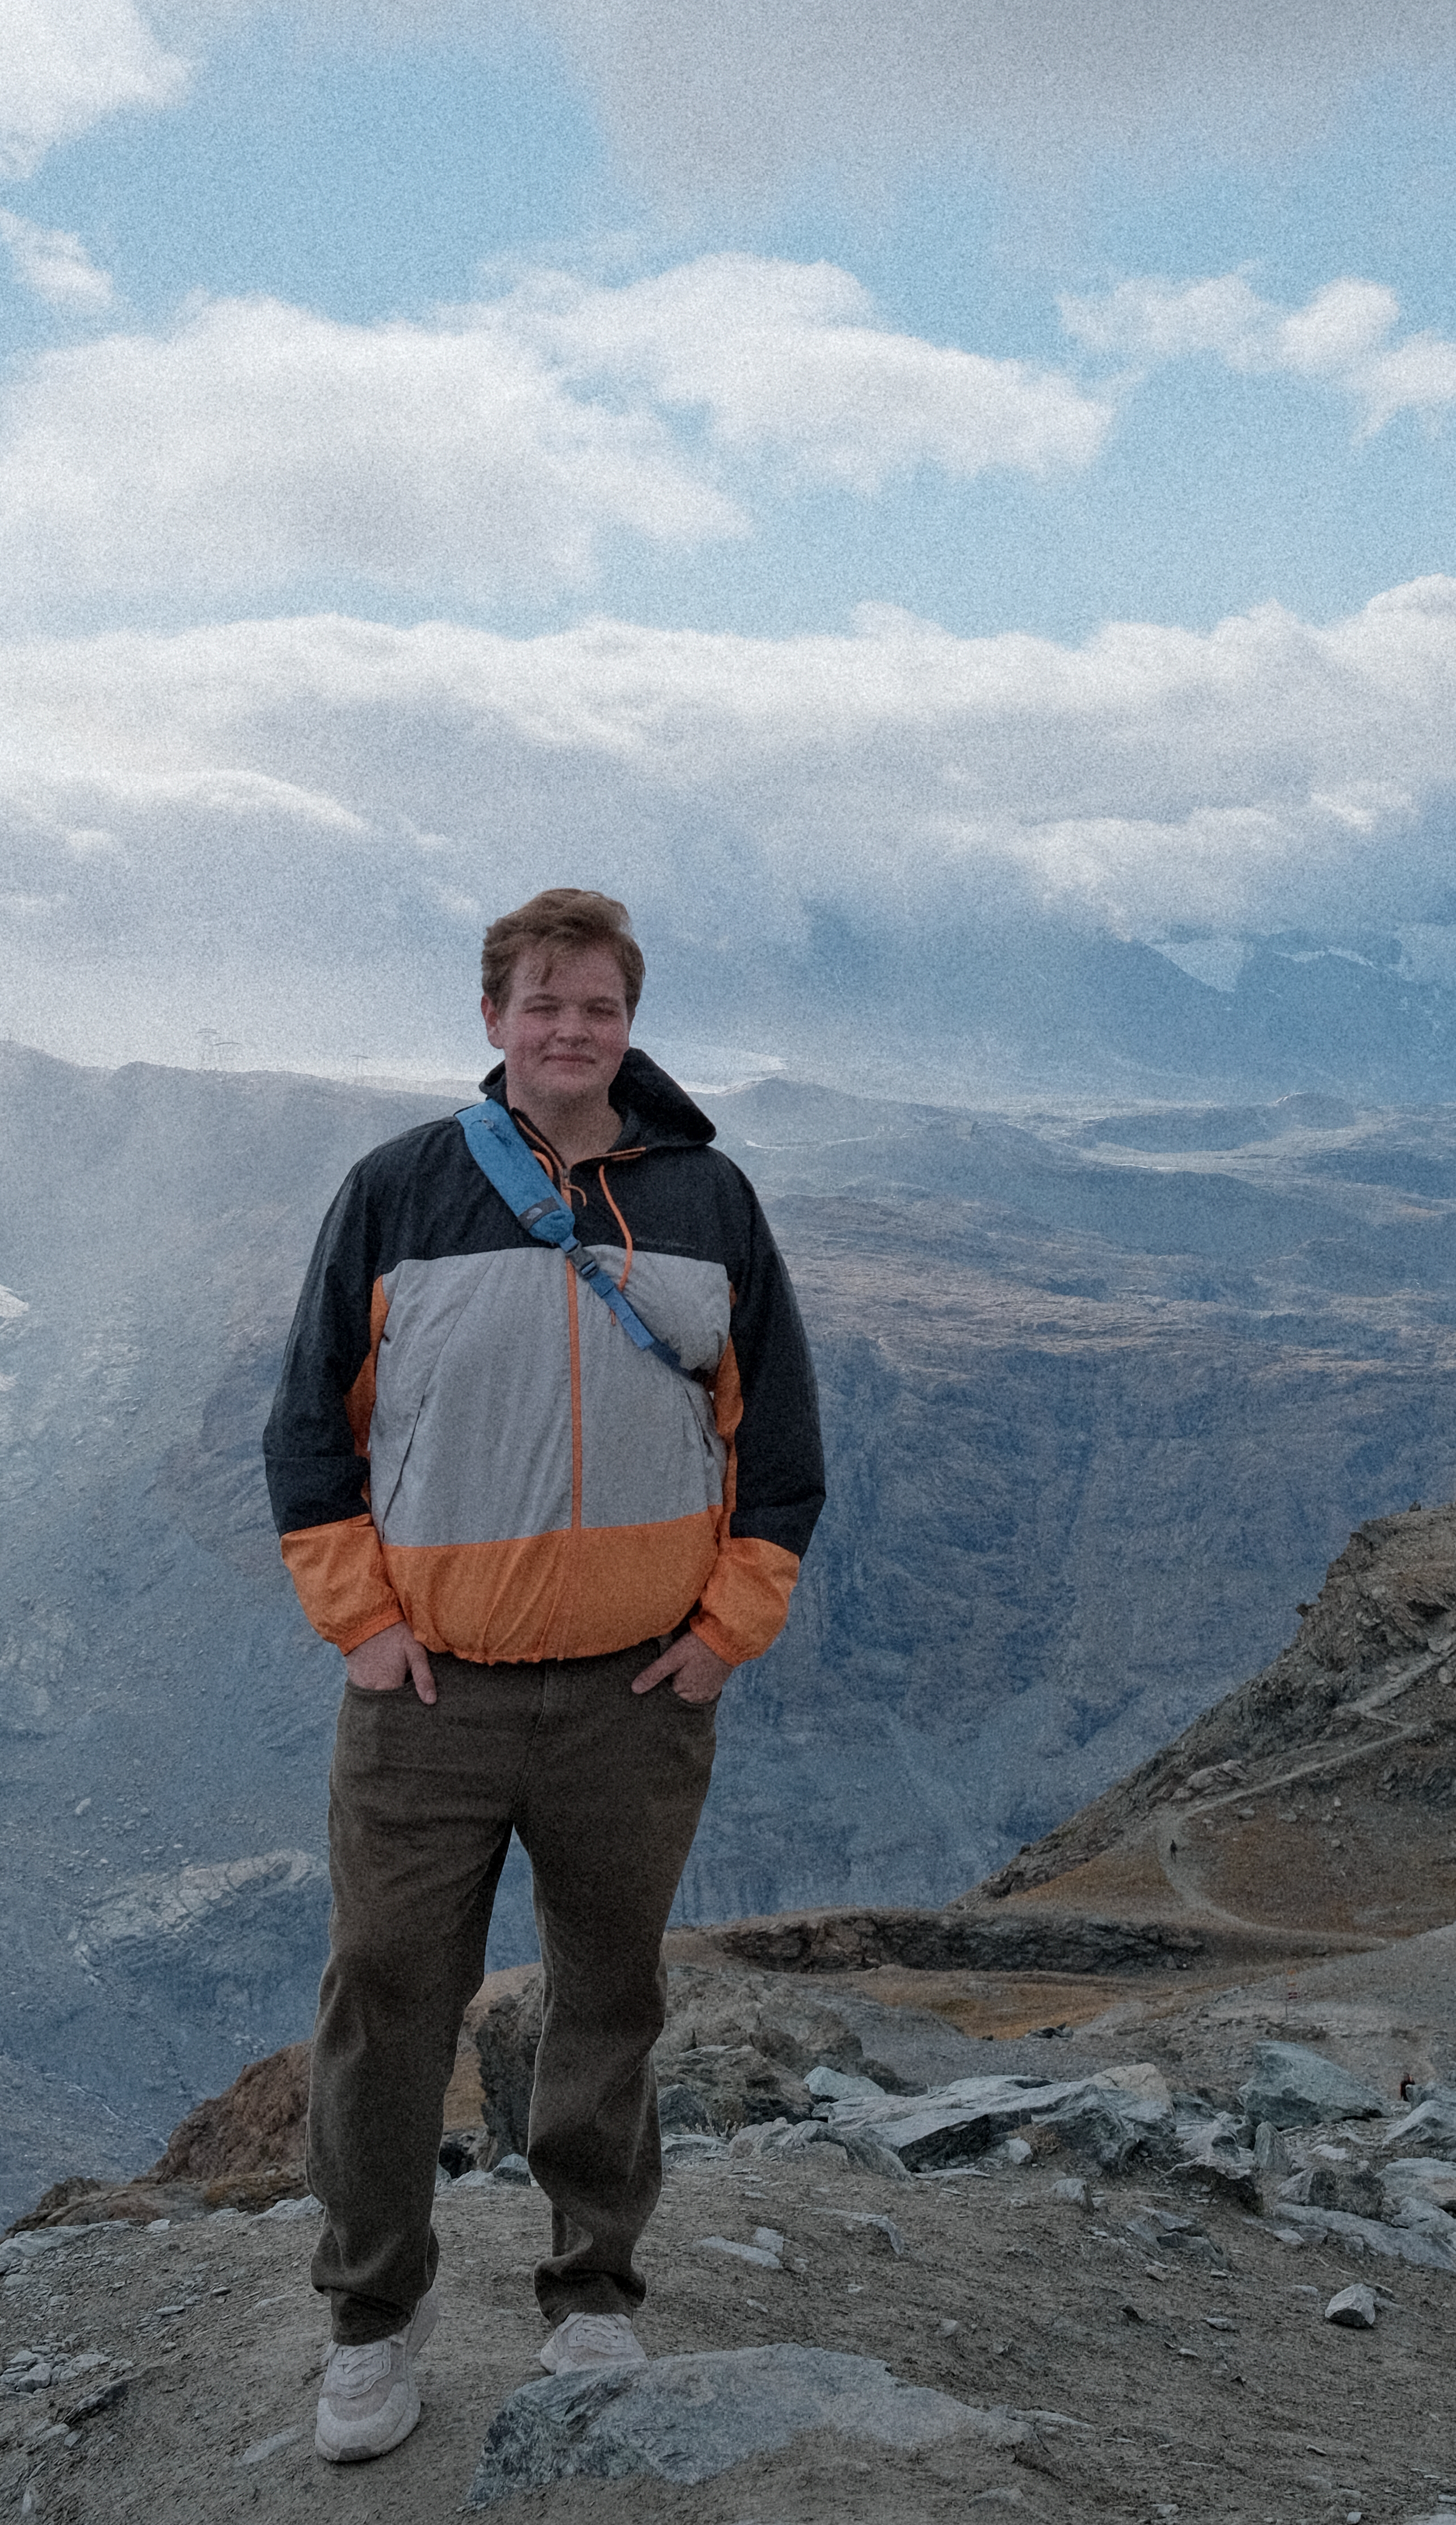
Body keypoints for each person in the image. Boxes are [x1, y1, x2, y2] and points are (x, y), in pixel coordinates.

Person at [263, 887, 825, 2463]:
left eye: (598, 1005)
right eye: (542, 1000)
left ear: (628, 1026)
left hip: (634, 1702)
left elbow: (777, 1446)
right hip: (426, 1697)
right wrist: (362, 1627)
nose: (569, 1028)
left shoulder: (708, 1199)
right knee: (387, 2002)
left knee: (610, 1994)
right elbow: (309, 1433)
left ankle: (595, 2286)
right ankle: (373, 2319)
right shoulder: (400, 1191)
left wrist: (724, 1637)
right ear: (494, 1017)